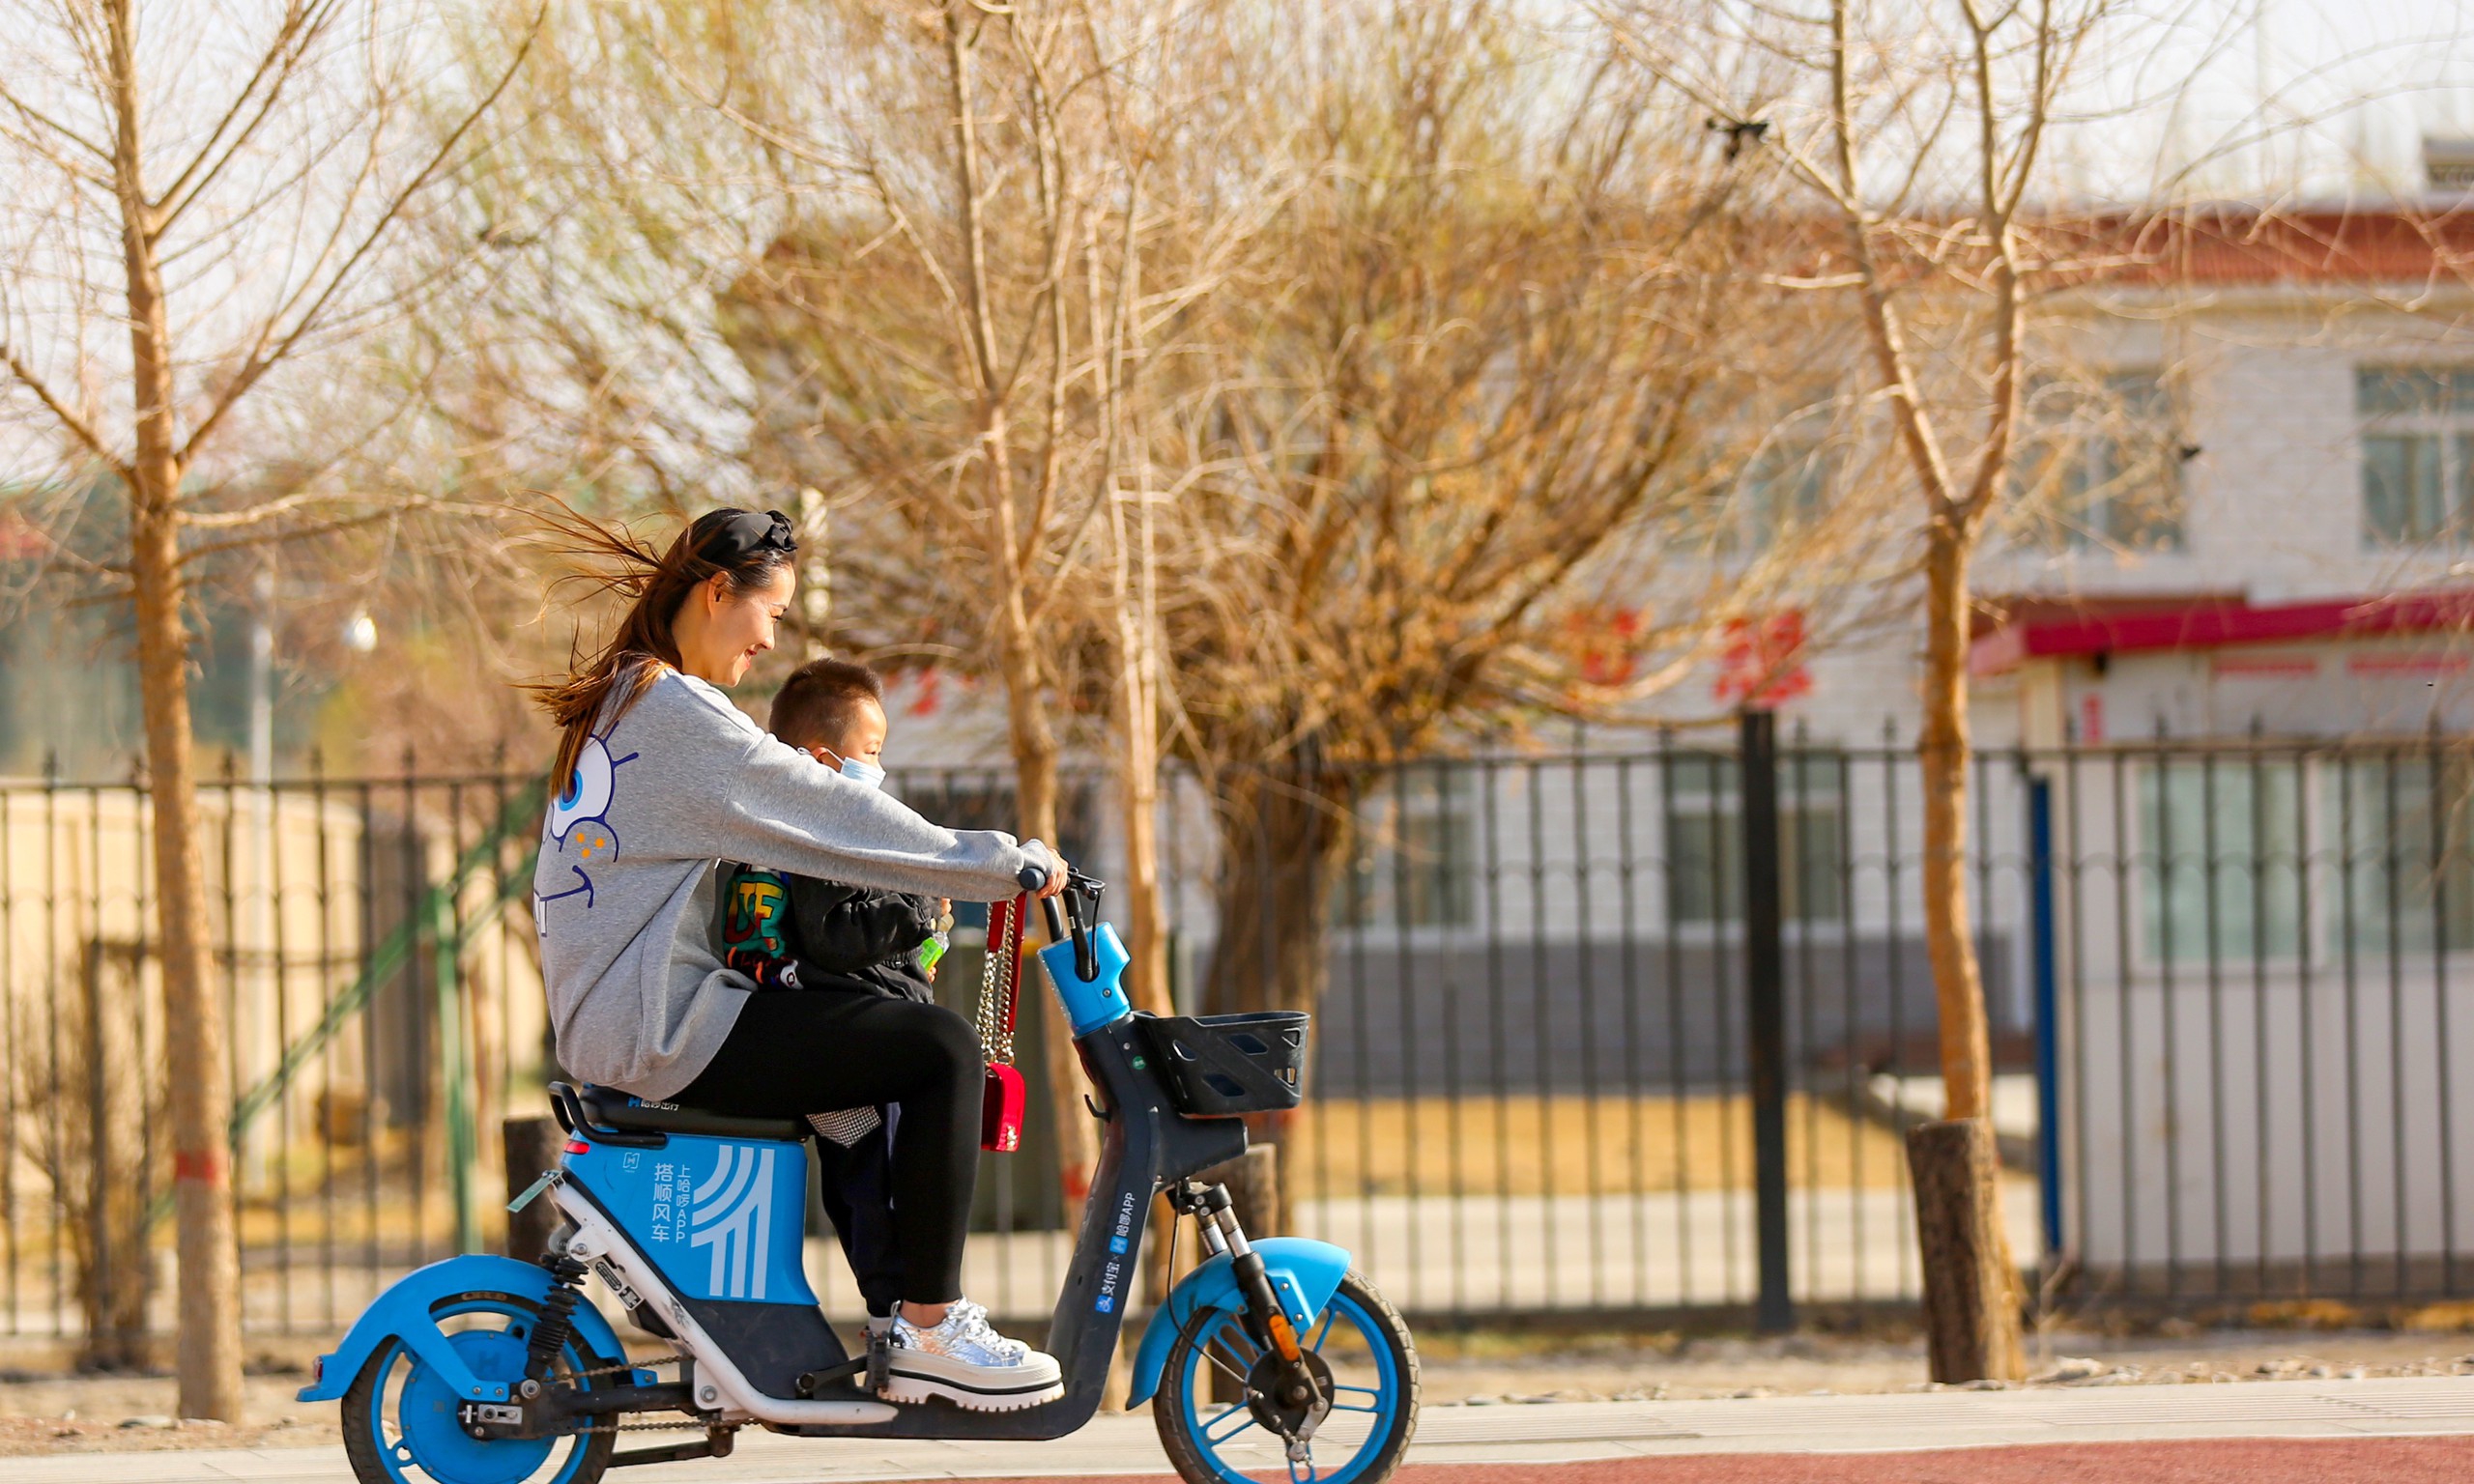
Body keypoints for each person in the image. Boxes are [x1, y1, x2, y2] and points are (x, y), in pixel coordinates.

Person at [529, 506, 1066, 1411]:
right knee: (938, 1050)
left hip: (636, 1013)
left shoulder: (627, 697)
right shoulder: (677, 714)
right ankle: (931, 1326)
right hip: (662, 1026)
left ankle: (899, 1316)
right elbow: (830, 817)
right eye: (769, 611)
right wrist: (998, 865)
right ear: (716, 593)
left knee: (865, 1070)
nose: (771, 638)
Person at [715, 658, 949, 1329]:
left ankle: (891, 1309)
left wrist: (920, 939)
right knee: (876, 1181)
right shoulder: (818, 828)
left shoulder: (791, 824)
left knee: (864, 1178)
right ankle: (896, 1312)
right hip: (845, 1044)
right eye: (870, 752)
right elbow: (840, 938)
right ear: (822, 758)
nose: (878, 768)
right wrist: (923, 912)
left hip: (830, 1030)